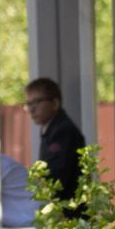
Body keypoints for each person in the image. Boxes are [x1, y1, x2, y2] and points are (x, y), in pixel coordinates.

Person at [25, 76, 85, 204]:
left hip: (69, 213)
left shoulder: (63, 132)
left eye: (37, 102)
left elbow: (56, 179)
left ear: (55, 103)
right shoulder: (53, 129)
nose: (31, 109)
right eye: (29, 104)